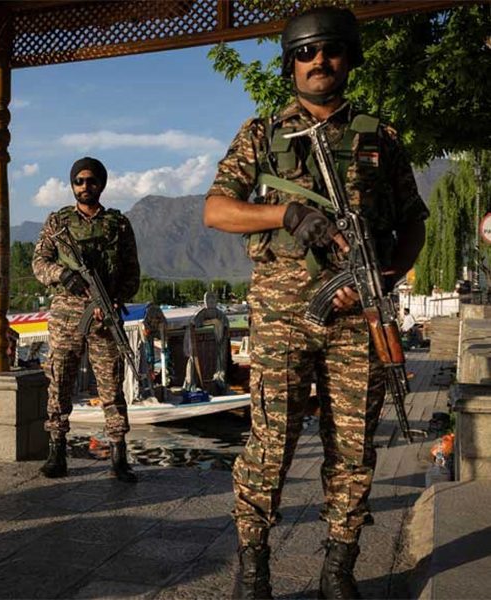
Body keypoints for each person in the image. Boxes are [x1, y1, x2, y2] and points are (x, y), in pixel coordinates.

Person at [202, 7, 427, 599]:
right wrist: (285, 213)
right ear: (290, 63)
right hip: (280, 318)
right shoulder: (261, 135)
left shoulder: (381, 137)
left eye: (330, 49)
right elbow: (218, 209)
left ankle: (339, 566)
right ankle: (254, 566)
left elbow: (413, 223)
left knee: (352, 446)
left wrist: (385, 275)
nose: (318, 60)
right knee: (271, 441)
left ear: (349, 57)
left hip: (358, 320)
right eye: (305, 52)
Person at [32, 157, 141, 483]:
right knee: (60, 380)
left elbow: (131, 271)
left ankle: (119, 455)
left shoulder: (118, 225)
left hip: (105, 314)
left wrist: (115, 298)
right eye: (78, 181)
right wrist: (62, 274)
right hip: (67, 315)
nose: (84, 186)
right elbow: (39, 262)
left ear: (102, 184)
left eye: (91, 181)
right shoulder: (58, 222)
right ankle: (56, 450)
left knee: (111, 385)